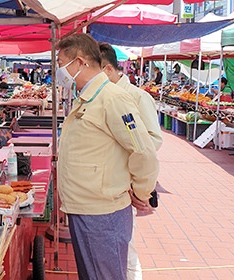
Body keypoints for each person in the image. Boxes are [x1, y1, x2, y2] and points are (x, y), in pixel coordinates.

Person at [56, 34, 159, 280]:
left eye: (61, 63)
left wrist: (142, 193)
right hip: (85, 208)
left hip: (101, 214)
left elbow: (144, 152)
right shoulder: (89, 98)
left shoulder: (112, 99)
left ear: (80, 62)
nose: (59, 69)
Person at [100, 42, 163, 280]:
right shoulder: (104, 95)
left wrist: (128, 150)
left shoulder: (137, 97)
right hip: (112, 181)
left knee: (126, 245)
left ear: (106, 69)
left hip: (127, 179)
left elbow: (153, 141)